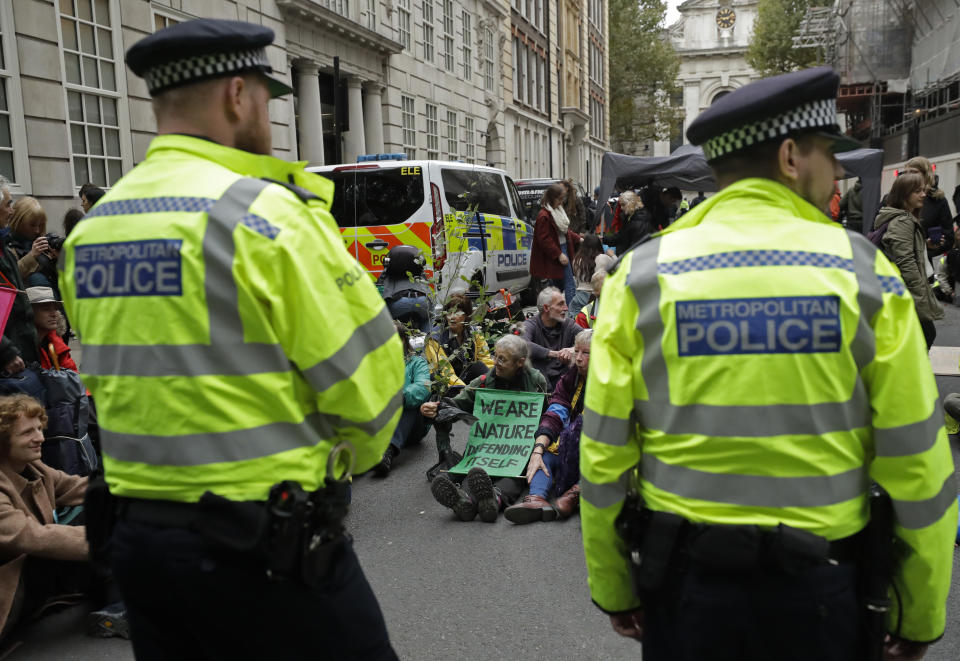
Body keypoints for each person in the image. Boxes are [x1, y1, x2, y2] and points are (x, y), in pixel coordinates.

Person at [581, 67, 956, 661]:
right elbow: (917, 465)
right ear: (789, 156)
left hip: (687, 595)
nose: (835, 171)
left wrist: (613, 586)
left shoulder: (642, 278)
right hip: (823, 598)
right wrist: (919, 611)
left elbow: (602, 457)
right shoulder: (864, 276)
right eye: (827, 155)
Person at [59, 19, 404, 660]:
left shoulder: (95, 229)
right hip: (265, 547)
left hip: (140, 544)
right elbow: (369, 387)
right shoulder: (266, 215)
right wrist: (348, 462)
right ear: (236, 96)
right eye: (268, 101)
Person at [0, 394, 126, 643]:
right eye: (27, 433)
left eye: (39, 428)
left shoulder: (35, 468)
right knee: (74, 537)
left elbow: (81, 488)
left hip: (33, 570)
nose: (40, 438)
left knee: (100, 510)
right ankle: (123, 603)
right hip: (13, 582)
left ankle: (118, 603)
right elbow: (29, 537)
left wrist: (138, 490)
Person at [423, 335, 547, 522]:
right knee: (475, 470)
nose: (495, 362)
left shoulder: (536, 381)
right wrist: (436, 407)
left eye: (502, 359)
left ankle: (495, 499)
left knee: (514, 475)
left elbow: (547, 416)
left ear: (520, 362)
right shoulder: (482, 382)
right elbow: (458, 404)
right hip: (487, 447)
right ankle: (465, 501)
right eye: (495, 356)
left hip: (518, 449)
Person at [505, 329, 592, 524]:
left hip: (599, 448)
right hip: (571, 443)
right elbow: (554, 414)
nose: (578, 358)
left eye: (586, 353)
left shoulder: (612, 381)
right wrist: (537, 449)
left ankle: (576, 492)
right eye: (576, 351)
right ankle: (536, 499)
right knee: (545, 455)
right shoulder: (570, 378)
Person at [875, 172, 943, 349]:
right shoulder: (903, 220)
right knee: (926, 334)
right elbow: (905, 259)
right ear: (904, 194)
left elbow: (906, 250)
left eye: (923, 190)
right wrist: (919, 293)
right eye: (917, 191)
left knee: (915, 336)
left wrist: (926, 245)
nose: (923, 194)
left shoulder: (900, 217)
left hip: (902, 288)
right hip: (907, 289)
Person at [372, 322, 431, 477]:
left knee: (406, 402)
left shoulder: (417, 362)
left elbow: (423, 386)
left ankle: (388, 452)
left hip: (411, 423)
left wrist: (400, 397)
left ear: (403, 340)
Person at [530, 183, 581, 305]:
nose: (562, 201)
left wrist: (578, 238)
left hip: (560, 251)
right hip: (556, 253)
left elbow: (565, 232)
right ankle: (571, 314)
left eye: (563, 198)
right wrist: (559, 254)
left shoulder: (555, 211)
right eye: (560, 198)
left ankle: (555, 310)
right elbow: (544, 239)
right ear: (552, 198)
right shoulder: (545, 216)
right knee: (569, 284)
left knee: (557, 286)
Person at [522, 286, 580, 391]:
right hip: (538, 386)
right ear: (546, 308)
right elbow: (522, 344)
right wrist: (555, 354)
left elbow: (590, 338)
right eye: (560, 304)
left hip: (565, 384)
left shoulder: (568, 325)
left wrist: (573, 350)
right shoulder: (530, 324)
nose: (566, 308)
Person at [7, 198, 56, 291]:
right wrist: (32, 256)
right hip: (28, 301)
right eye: (32, 225)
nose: (37, 230)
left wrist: (58, 258)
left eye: (40, 225)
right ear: (19, 222)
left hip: (57, 299)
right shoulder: (7, 244)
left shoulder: (45, 241)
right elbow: (9, 277)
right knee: (37, 278)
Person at [28, 287, 76, 372]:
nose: (54, 314)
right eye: (46, 309)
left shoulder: (55, 341)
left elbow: (73, 375)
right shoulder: (21, 347)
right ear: (30, 312)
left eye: (55, 309)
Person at [604, 191, 654, 257]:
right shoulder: (629, 217)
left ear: (631, 203)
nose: (621, 208)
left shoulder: (639, 221)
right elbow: (620, 236)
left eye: (623, 205)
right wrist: (603, 239)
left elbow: (636, 248)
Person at [568, 234, 603, 317]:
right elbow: (618, 267)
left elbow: (576, 278)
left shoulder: (576, 260)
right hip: (595, 296)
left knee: (575, 324)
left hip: (579, 296)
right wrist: (612, 255)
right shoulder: (602, 258)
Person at [920, 174, 953, 259]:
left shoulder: (938, 201)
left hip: (924, 261)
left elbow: (948, 238)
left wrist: (928, 249)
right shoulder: (895, 197)